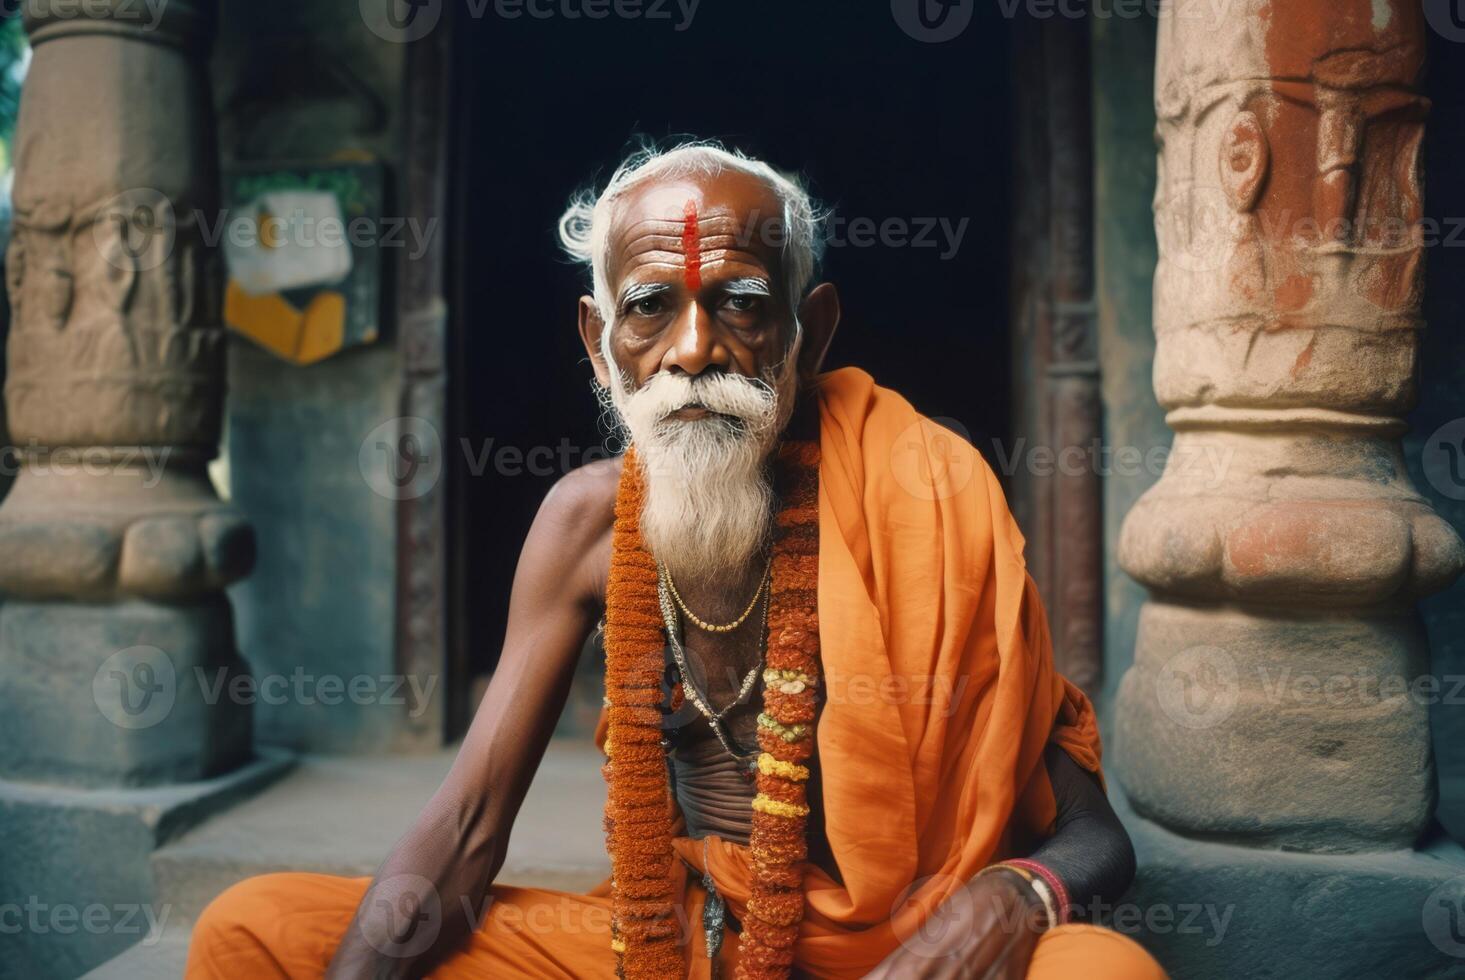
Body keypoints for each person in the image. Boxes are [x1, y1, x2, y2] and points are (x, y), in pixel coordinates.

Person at [186, 142, 1167, 979]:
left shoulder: (922, 491)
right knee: (256, 928)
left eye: (741, 303)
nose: (693, 349)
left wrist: (1011, 895)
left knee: (1104, 968)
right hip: (680, 948)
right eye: (650, 306)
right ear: (600, 342)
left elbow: (1094, 834)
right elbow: (468, 824)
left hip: (913, 952)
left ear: (807, 330)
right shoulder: (582, 523)